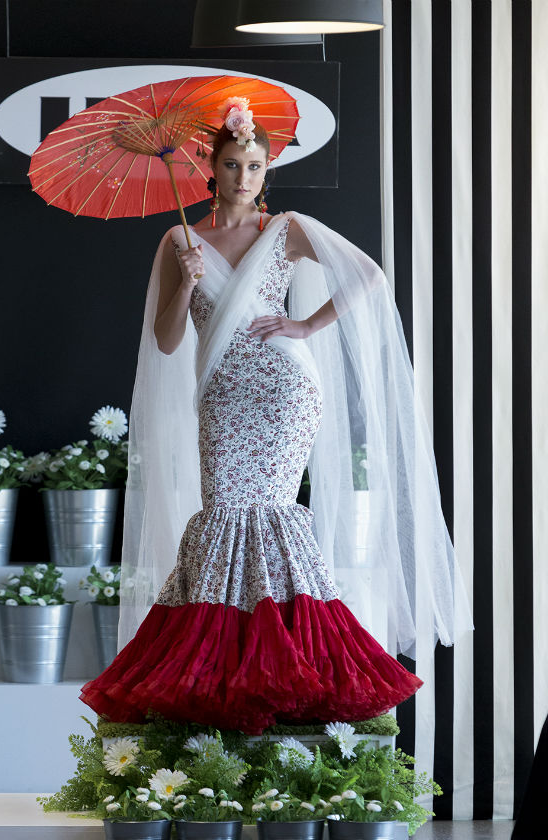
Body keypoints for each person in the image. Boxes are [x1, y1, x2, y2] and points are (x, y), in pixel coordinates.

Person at [80, 100, 471, 733]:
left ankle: (298, 668)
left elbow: (368, 275)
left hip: (284, 390)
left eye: (255, 166)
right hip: (220, 394)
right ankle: (226, 671)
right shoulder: (179, 242)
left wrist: (306, 325)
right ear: (210, 167)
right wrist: (187, 282)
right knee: (222, 515)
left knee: (271, 515)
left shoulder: (285, 229)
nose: (244, 177)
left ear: (267, 172)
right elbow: (167, 341)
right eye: (233, 164)